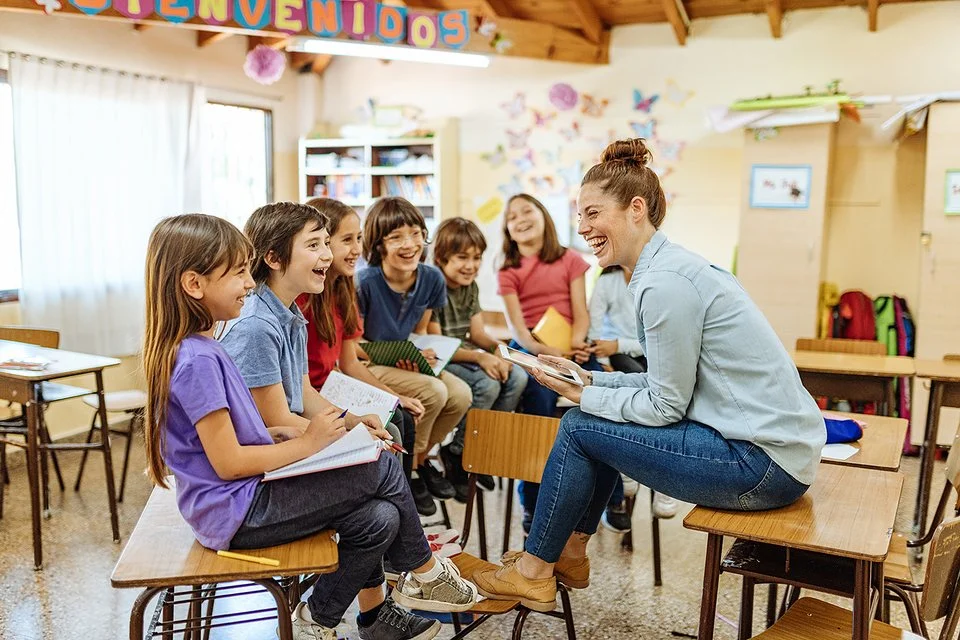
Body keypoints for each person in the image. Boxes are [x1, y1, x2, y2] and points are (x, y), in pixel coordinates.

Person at [474, 138, 826, 612]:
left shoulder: (664, 284)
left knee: (580, 427)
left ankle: (536, 570)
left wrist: (584, 399)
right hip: (772, 451)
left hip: (761, 465)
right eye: (580, 216)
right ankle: (571, 551)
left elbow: (664, 406)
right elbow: (665, 382)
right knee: (592, 422)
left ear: (636, 209)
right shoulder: (667, 269)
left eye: (593, 214)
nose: (583, 229)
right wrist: (590, 380)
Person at [141, 213, 478, 640]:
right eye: (240, 273)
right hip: (236, 512)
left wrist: (286, 435)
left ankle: (317, 619)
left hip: (242, 499)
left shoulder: (204, 346)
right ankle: (424, 572)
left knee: (380, 517)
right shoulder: (201, 357)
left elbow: (247, 432)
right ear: (194, 284)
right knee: (381, 466)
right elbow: (228, 465)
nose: (250, 283)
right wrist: (309, 442)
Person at [295, 197, 430, 515]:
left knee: (400, 415)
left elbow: (350, 362)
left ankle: (403, 516)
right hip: (311, 398)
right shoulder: (304, 297)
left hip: (331, 387)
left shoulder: (344, 290)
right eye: (346, 240)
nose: (357, 249)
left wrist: (394, 395)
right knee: (393, 428)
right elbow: (300, 389)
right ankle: (395, 520)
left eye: (358, 239)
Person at [495, 193, 612, 532]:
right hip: (532, 345)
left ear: (543, 214)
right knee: (540, 406)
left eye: (527, 210)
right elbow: (520, 330)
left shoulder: (569, 259)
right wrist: (549, 353)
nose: (520, 218)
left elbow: (581, 312)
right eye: (512, 215)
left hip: (571, 344)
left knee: (600, 393)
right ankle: (532, 502)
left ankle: (606, 498)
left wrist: (575, 344)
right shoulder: (508, 270)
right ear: (507, 229)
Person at [356, 197, 472, 502]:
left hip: (405, 360)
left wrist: (423, 352)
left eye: (416, 234)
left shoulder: (431, 278)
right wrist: (397, 353)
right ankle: (412, 469)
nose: (409, 244)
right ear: (378, 244)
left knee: (461, 394)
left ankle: (420, 460)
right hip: (369, 362)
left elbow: (420, 331)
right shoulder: (364, 281)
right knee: (434, 392)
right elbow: (353, 346)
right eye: (396, 237)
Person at [430, 217, 527, 502]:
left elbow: (477, 333)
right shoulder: (433, 285)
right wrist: (481, 358)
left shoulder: (470, 287)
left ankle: (479, 448)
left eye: (476, 258)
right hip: (443, 358)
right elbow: (439, 346)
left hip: (466, 353)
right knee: (487, 386)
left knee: (517, 377)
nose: (471, 265)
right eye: (462, 258)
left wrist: (502, 351)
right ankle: (459, 452)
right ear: (441, 257)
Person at [587, 264, 679, 521]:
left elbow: (660, 338)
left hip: (647, 352)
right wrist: (604, 355)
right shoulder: (608, 281)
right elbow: (595, 332)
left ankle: (663, 480)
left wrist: (620, 343)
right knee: (632, 384)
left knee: (669, 391)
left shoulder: (660, 280)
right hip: (614, 355)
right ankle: (628, 467)